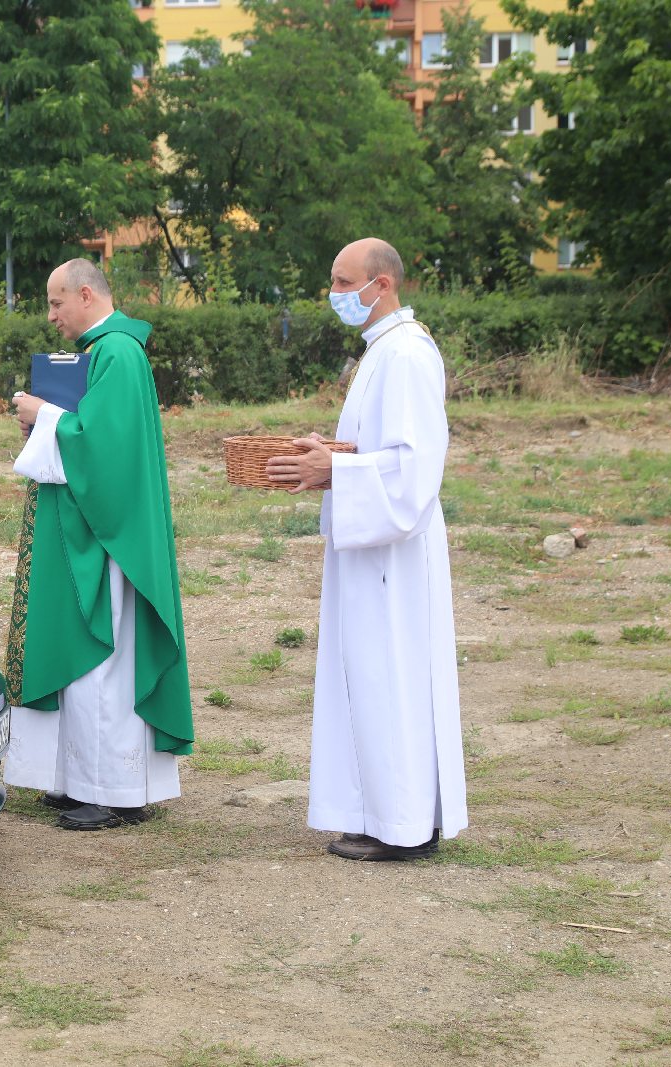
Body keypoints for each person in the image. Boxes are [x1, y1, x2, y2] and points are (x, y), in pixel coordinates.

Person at [264, 237, 468, 861]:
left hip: (393, 555)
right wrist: (331, 454)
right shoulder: (381, 351)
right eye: (334, 282)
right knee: (367, 679)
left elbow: (413, 472)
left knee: (392, 679)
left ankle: (403, 826)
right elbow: (377, 449)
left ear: (382, 285)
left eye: (345, 282)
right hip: (367, 550)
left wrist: (339, 473)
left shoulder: (406, 354)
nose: (336, 295)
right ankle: (380, 812)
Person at [3, 258, 194, 830]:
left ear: (86, 295)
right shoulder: (102, 351)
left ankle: (112, 789)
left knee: (104, 656)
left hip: (109, 538)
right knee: (87, 657)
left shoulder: (118, 353)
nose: (51, 316)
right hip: (89, 524)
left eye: (57, 303)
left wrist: (44, 416)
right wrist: (50, 421)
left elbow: (104, 450)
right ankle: (77, 779)